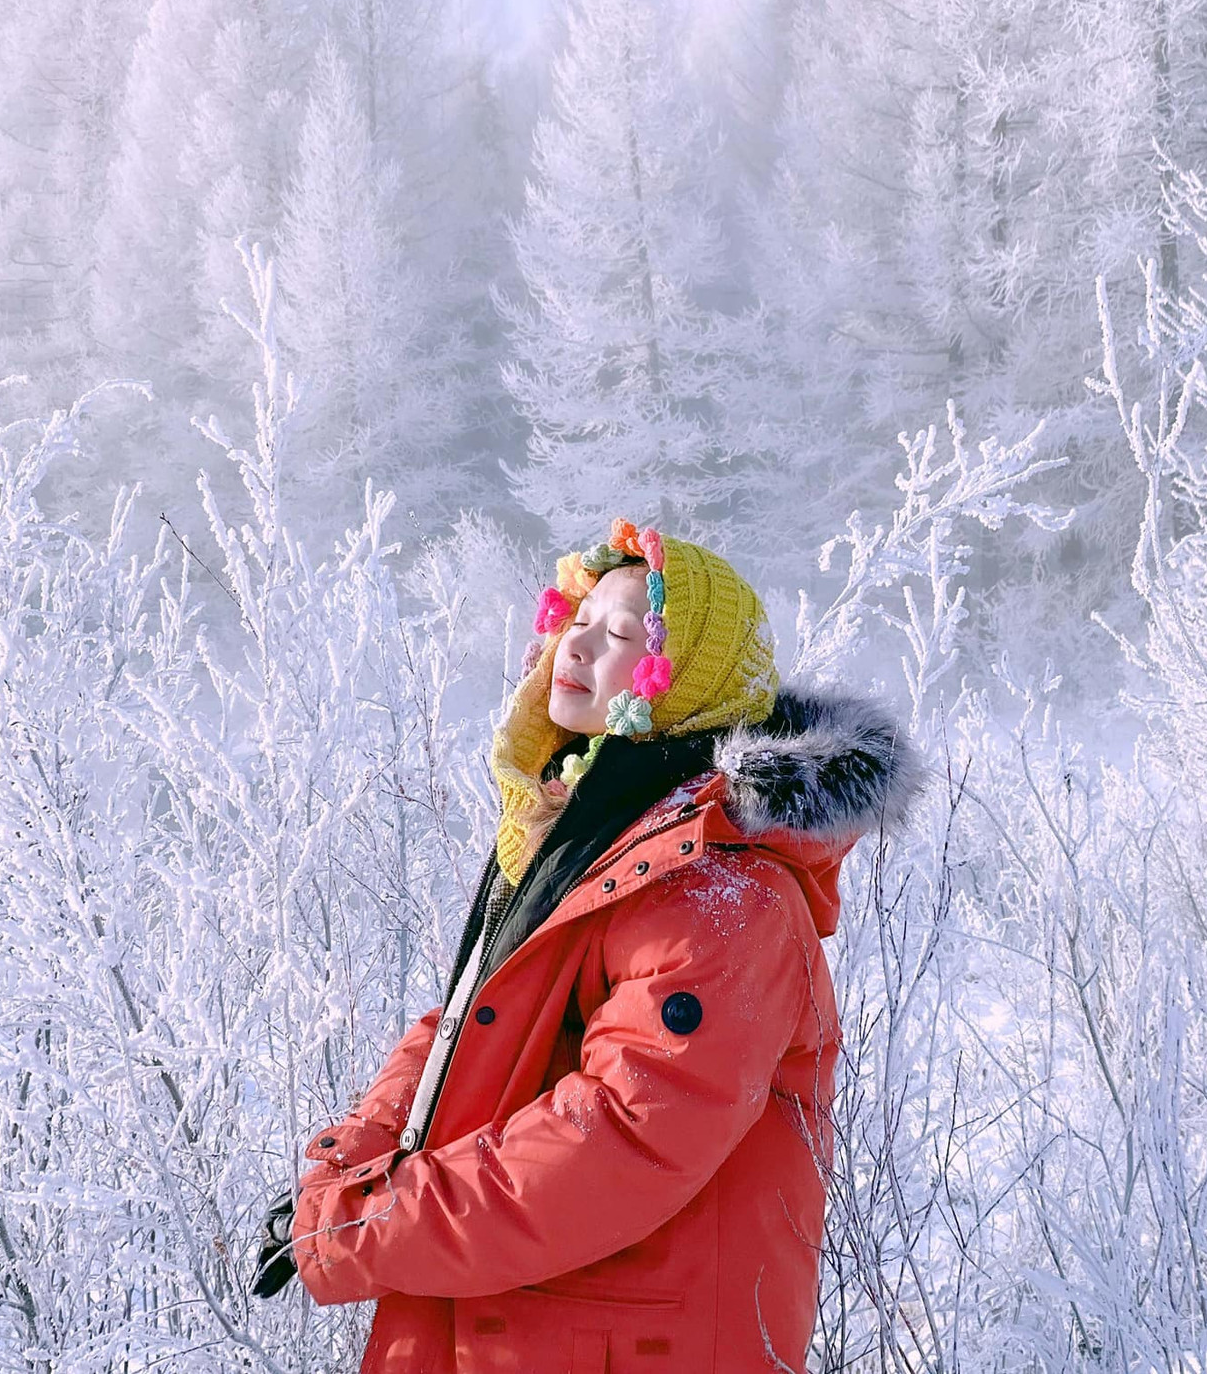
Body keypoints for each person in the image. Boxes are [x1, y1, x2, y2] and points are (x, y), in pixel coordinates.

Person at [252, 516, 922, 1372]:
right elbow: (473, 1026)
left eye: (622, 634)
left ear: (686, 680)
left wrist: (369, 1222)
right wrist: (352, 1164)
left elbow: (620, 1136)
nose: (577, 645)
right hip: (518, 1324)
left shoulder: (724, 896)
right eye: (578, 620)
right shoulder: (585, 837)